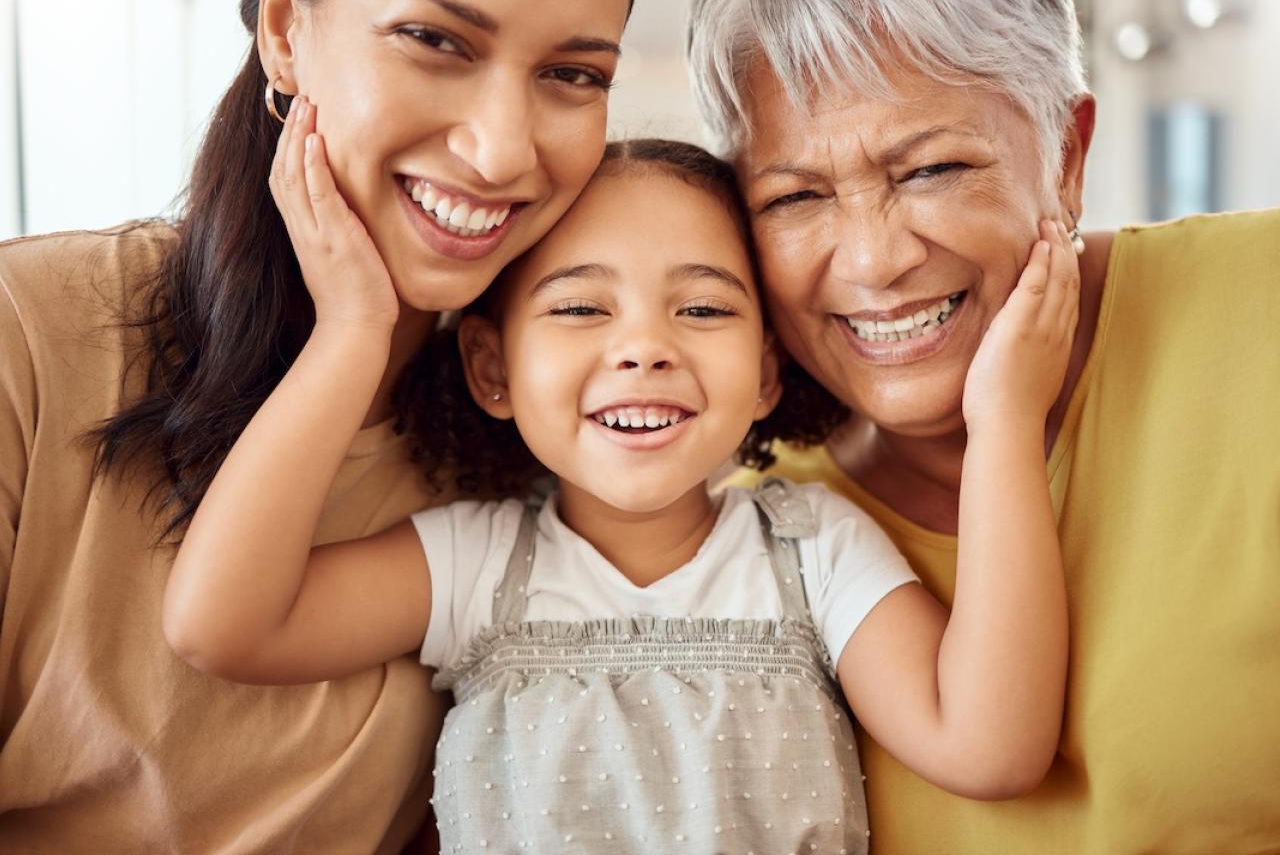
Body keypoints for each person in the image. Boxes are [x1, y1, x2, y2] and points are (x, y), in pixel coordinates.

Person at [163, 138, 1079, 854]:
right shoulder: (475, 565)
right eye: (580, 308)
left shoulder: (812, 552)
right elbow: (222, 624)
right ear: (491, 367)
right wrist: (353, 332)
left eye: (705, 309)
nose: (645, 346)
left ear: (765, 374)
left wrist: (1001, 418)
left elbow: (989, 746)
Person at [0, 0, 639, 850]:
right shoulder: (29, 330)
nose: (505, 148)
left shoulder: (562, 435)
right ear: (286, 30)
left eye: (573, 73)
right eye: (435, 38)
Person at [687, 0, 1280, 851]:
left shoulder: (1261, 305)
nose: (874, 260)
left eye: (930, 171)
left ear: (1067, 157)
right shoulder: (745, 534)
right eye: (796, 195)